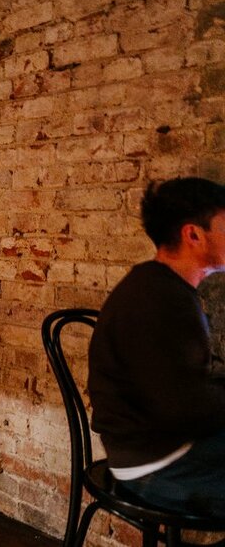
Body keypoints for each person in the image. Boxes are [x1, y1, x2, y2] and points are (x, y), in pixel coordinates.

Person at [88, 177, 225, 517]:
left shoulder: (162, 287)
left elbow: (184, 387)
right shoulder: (159, 300)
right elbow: (186, 411)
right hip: (155, 463)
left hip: (159, 446)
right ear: (193, 234)